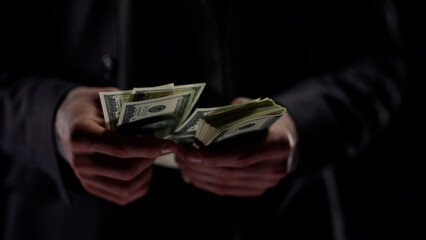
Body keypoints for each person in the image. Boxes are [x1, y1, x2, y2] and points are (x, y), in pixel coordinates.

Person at [0, 0, 404, 239]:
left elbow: (375, 62)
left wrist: (296, 126)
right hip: (67, 223)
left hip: (275, 220)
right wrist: (51, 119)